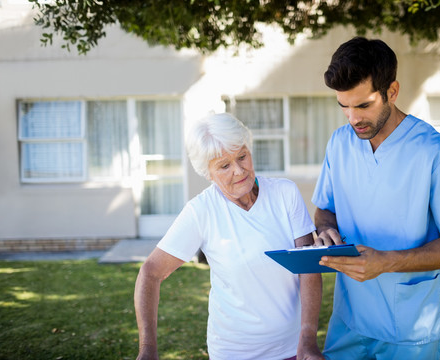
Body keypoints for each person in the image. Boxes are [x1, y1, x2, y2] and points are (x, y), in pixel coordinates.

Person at [311, 37, 440, 359]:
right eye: (344, 106)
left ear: (392, 91)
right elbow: (324, 210)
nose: (353, 119)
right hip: (348, 320)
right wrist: (325, 231)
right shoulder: (339, 143)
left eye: (363, 105)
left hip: (408, 329)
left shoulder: (439, 155)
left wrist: (387, 262)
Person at [134, 113, 324, 360]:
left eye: (242, 156)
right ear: (208, 172)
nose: (239, 170)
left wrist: (307, 340)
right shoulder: (201, 211)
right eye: (224, 165)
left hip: (293, 349)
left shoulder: (284, 193)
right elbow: (151, 272)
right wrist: (148, 350)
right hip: (233, 352)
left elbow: (308, 268)